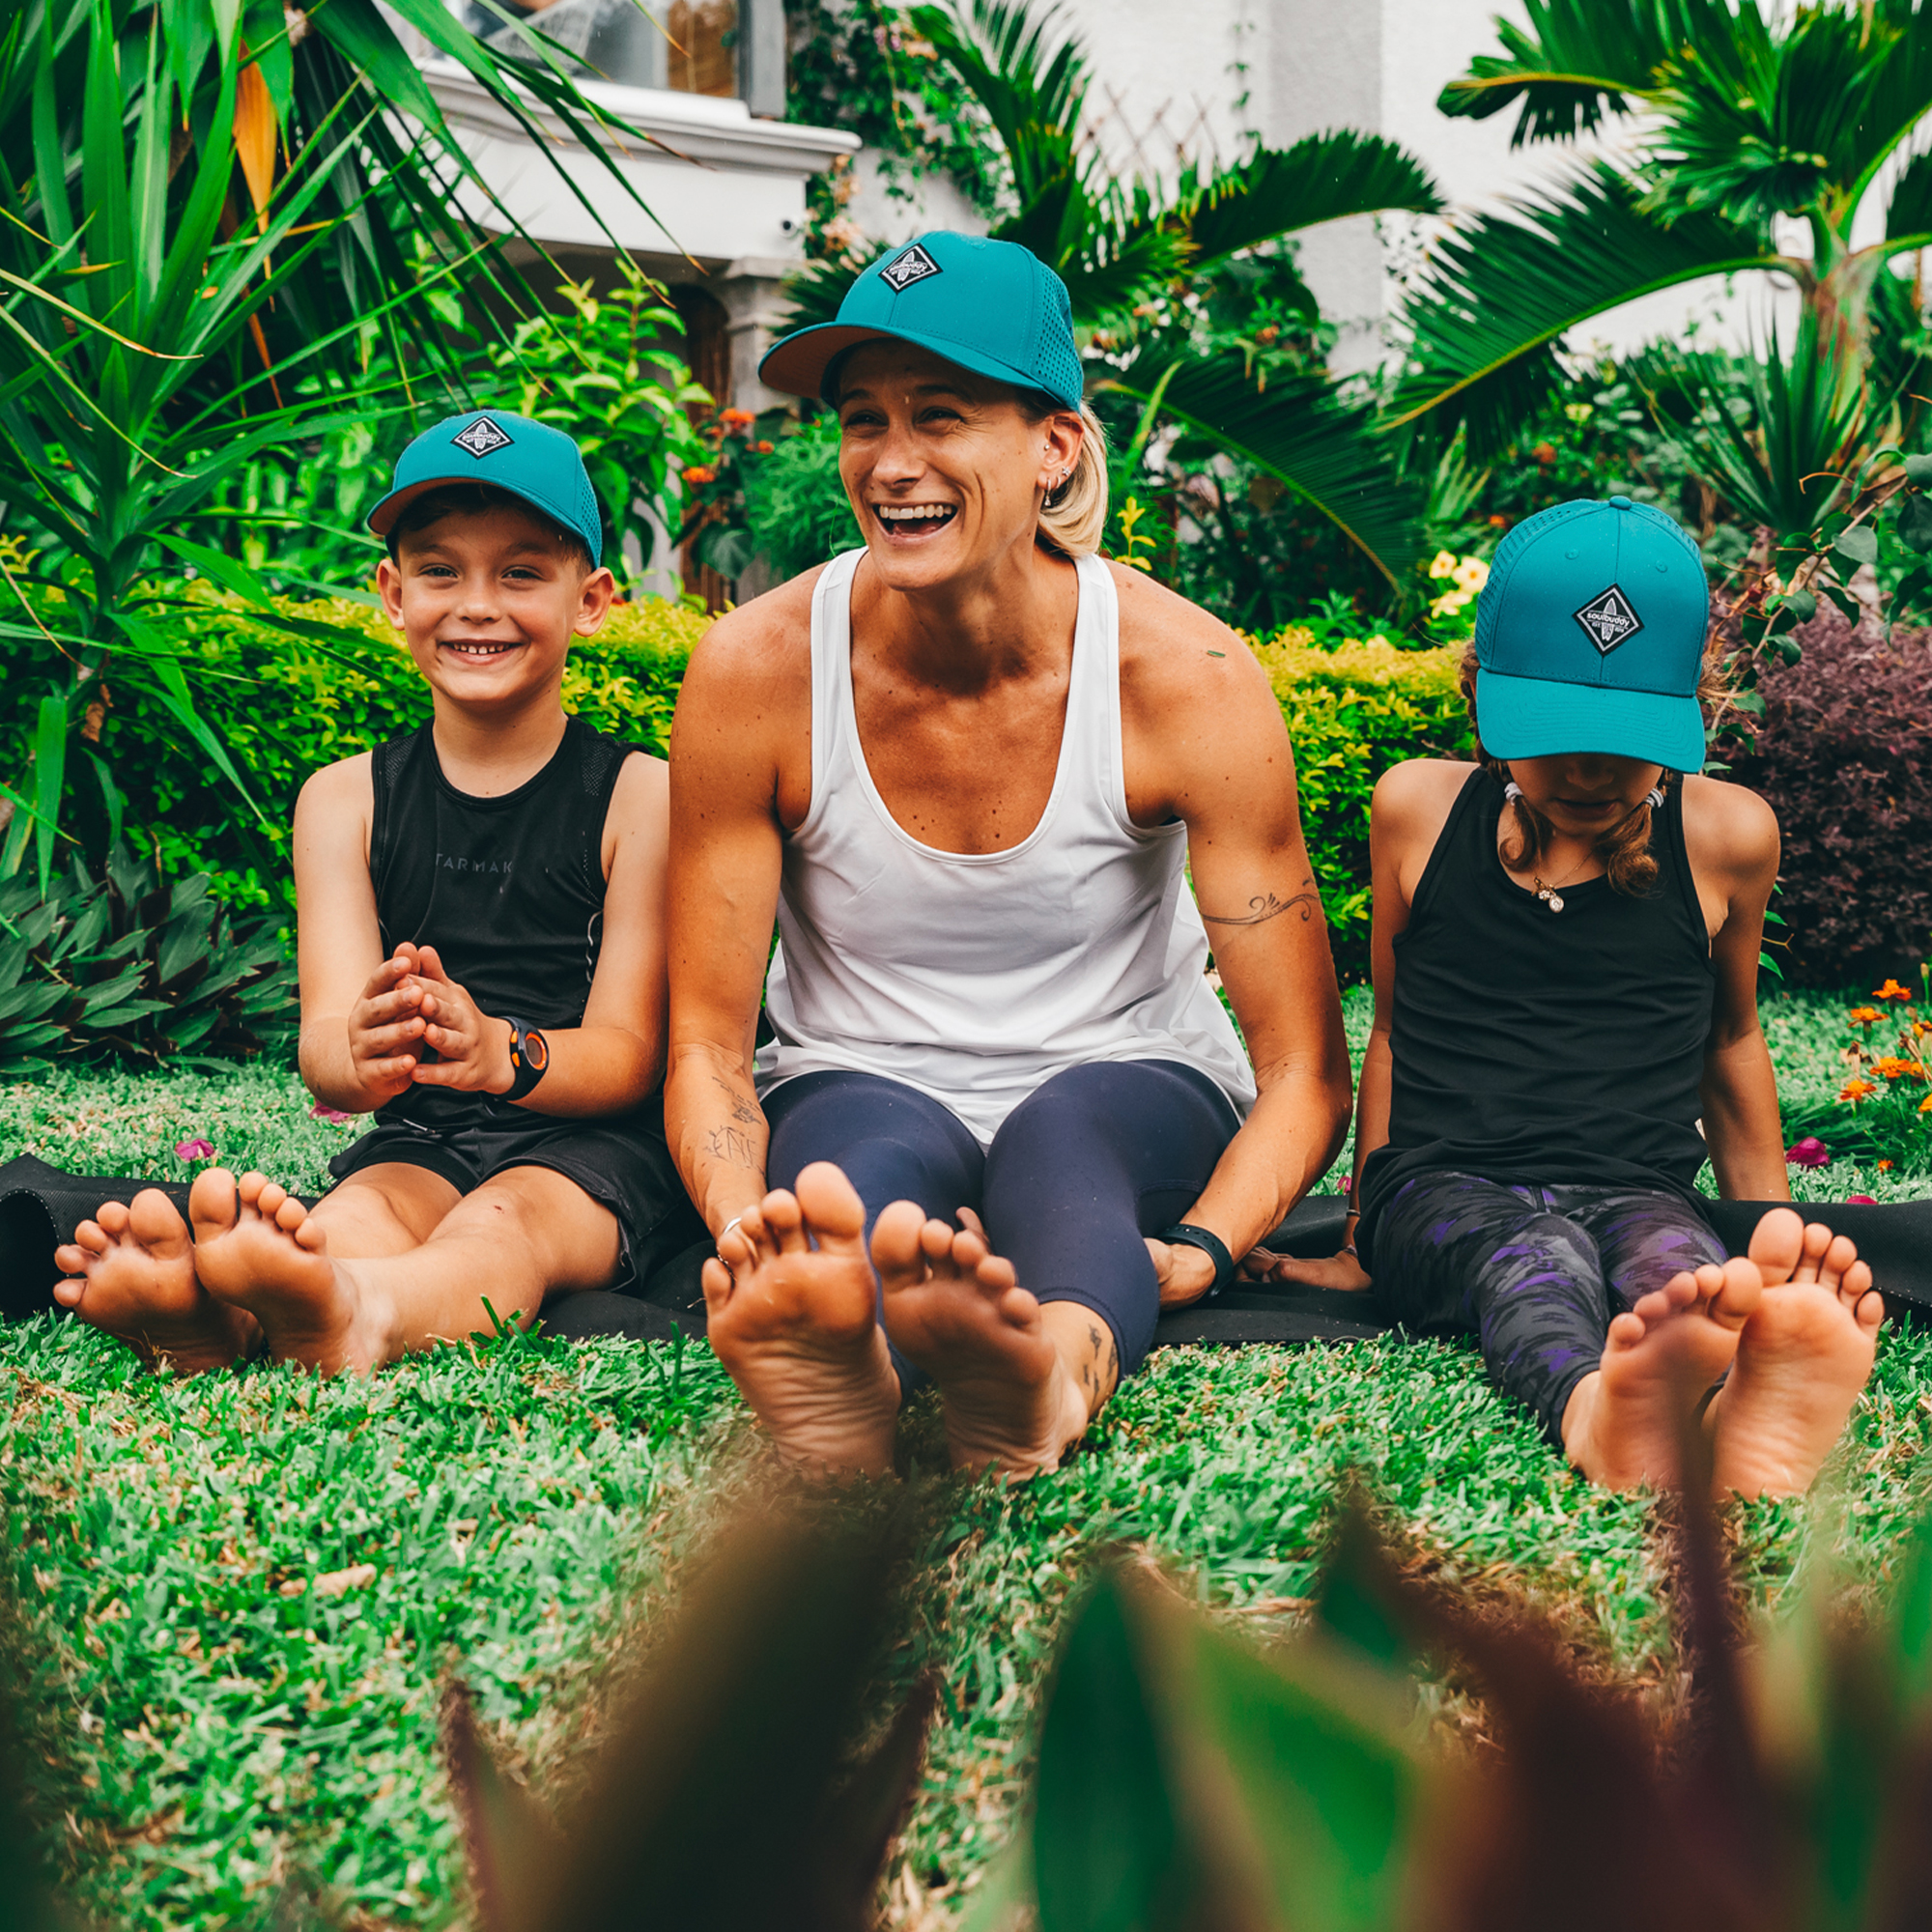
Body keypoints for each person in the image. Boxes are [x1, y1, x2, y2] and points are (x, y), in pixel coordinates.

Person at [665, 231, 1353, 1482]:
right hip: (856, 1069)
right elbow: (709, 1047)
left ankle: (1052, 1374)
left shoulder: (1185, 679)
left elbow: (1304, 1067)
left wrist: (1203, 1243)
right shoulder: (755, 671)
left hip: (1132, 1074)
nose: (894, 462)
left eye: (942, 415)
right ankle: (847, 1366)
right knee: (851, 1178)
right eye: (863, 419)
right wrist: (756, 1236)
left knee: (1065, 1146)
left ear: (1055, 447)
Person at [54, 412, 699, 1374]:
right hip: (424, 1134)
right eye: (440, 571)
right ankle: (221, 1322)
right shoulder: (342, 800)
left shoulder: (640, 796)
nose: (476, 603)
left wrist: (496, 1051)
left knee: (504, 1222)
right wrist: (364, 1050)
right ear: (393, 595)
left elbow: (629, 1056)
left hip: (594, 1150)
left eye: (520, 573)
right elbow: (326, 1057)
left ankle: (365, 1317)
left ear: (593, 600)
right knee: (356, 1211)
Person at [1264, 497, 1882, 1497]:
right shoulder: (1415, 810)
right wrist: (1356, 1235)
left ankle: (1728, 1407)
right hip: (1439, 1185)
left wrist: (1761, 1224)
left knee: (1685, 1272)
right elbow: (1390, 1030)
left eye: (1622, 736)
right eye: (1553, 731)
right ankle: (1591, 1411)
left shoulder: (1726, 836)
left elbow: (1729, 1039)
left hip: (1633, 1181)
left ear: (1688, 706)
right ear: (1482, 697)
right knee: (1535, 1252)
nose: (1589, 769)